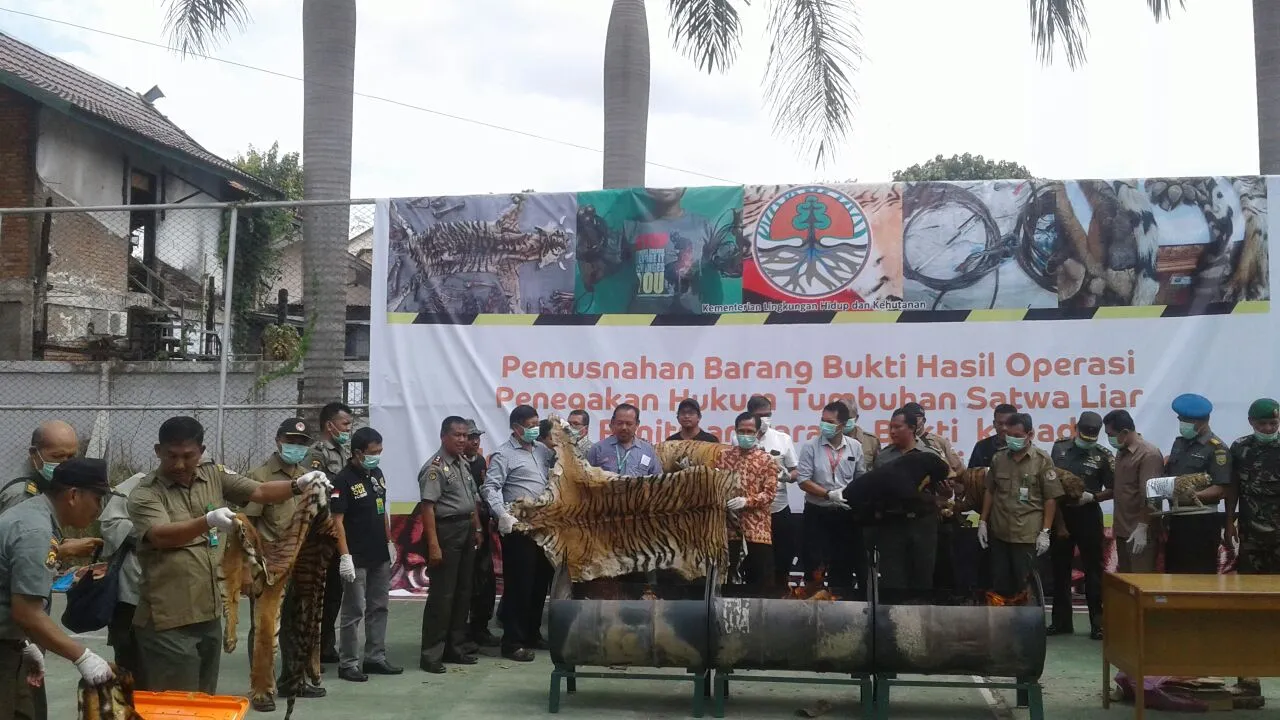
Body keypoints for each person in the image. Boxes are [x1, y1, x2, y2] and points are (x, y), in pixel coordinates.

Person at [127, 416, 329, 694]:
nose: (179, 464)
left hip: (208, 614)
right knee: (177, 704)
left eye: (188, 456)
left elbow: (258, 491)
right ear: (157, 451)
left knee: (205, 700)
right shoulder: (145, 493)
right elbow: (161, 535)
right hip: (167, 620)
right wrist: (207, 521)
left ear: (201, 450)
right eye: (171, 456)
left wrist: (299, 485)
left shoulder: (213, 474)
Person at [0, 458, 114, 720]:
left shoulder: (32, 516)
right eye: (98, 499)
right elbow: (27, 613)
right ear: (74, 495)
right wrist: (82, 657)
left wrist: (21, 641)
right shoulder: (35, 531)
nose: (99, 510)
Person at [242, 418, 324, 710]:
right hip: (270, 564)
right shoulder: (260, 476)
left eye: (302, 443)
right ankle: (262, 689)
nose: (297, 447)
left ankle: (294, 680)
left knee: (298, 623)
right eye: (291, 441)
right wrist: (247, 568)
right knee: (265, 628)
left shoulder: (309, 476)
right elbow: (248, 525)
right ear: (278, 440)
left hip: (301, 563)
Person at [483, 405, 553, 663]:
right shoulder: (503, 454)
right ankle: (512, 641)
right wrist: (502, 515)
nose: (536, 429)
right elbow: (491, 488)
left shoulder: (543, 451)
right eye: (531, 424)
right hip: (518, 528)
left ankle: (532, 633)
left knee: (539, 583)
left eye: (537, 423)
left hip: (543, 528)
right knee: (519, 585)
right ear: (516, 427)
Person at [331, 427, 402, 682]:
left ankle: (375, 657)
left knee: (379, 606)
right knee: (354, 611)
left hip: (378, 553)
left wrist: (389, 540)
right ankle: (348, 663)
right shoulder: (343, 479)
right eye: (373, 452)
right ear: (359, 452)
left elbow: (382, 508)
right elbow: (336, 521)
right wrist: (344, 556)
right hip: (356, 556)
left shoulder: (377, 474)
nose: (377, 456)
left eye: (380, 451)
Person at [417, 417, 483, 674]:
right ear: (444, 436)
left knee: (463, 592)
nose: (462, 440)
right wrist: (434, 544)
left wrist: (476, 527)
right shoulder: (435, 467)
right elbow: (427, 507)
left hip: (465, 529)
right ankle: (431, 654)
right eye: (457, 435)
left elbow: (470, 499)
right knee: (442, 595)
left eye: (465, 435)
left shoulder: (462, 464)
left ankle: (455, 648)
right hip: (445, 531)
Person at [1226, 397, 1280, 697]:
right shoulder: (1241, 448)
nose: (1269, 429)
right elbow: (1233, 485)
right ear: (1251, 423)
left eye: (1273, 423)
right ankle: (1248, 680)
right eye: (1263, 424)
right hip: (1251, 536)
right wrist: (1229, 520)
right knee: (1248, 604)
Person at [977, 413, 1062, 599]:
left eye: (1017, 436)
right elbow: (990, 491)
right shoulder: (999, 458)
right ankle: (1001, 625)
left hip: (1026, 536)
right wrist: (982, 522)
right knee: (1000, 585)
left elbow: (1050, 498)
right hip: (999, 533)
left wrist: (1045, 532)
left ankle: (1028, 626)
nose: (1012, 440)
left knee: (1026, 587)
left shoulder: (1042, 460)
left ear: (1030, 434)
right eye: (1009, 435)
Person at [844, 448, 951, 594]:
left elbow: (947, 488)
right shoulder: (893, 467)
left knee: (922, 576)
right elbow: (906, 494)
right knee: (893, 579)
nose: (893, 431)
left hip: (922, 526)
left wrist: (943, 496)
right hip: (889, 524)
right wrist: (933, 500)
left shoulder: (928, 459)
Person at [1048, 412, 1113, 640]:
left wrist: (1094, 497)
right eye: (1084, 435)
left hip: (1088, 514)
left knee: (1093, 571)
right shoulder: (1060, 449)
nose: (1088, 440)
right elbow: (1051, 483)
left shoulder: (1103, 455)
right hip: (1062, 515)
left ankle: (1097, 623)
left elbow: (1113, 488)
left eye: (1092, 437)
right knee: (1060, 569)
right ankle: (1061, 622)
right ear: (1076, 429)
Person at [797, 401, 865, 592]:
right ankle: (811, 605)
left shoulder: (855, 447)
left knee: (842, 563)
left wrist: (851, 497)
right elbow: (803, 480)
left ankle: (840, 606)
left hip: (844, 514)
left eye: (830, 421)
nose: (824, 425)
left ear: (842, 425)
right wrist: (828, 494)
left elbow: (860, 478)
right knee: (814, 563)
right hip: (817, 513)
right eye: (822, 420)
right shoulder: (810, 446)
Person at [1163, 393, 1231, 574]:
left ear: (1201, 421)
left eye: (1186, 420)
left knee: (1199, 574)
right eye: (1180, 419)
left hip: (1201, 521)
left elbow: (1222, 488)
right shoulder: (1180, 443)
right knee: (1175, 573)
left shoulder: (1217, 448)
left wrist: (1195, 495)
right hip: (1177, 519)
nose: (1181, 424)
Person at [310, 401, 354, 664]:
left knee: (334, 592)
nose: (349, 429)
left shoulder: (345, 452)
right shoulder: (317, 453)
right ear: (330, 425)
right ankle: (313, 647)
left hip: (339, 530)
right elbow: (314, 492)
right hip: (320, 531)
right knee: (317, 592)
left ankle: (327, 644)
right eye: (345, 424)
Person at [717, 413, 778, 587]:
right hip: (729, 528)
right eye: (741, 431)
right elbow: (717, 485)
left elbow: (770, 494)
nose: (745, 435)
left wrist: (747, 501)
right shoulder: (724, 456)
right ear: (735, 431)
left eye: (749, 431)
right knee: (728, 580)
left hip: (757, 529)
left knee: (760, 581)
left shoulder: (768, 460)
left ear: (758, 433)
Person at [97, 472, 146, 681]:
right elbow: (109, 524)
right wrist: (151, 533)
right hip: (132, 587)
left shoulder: (201, 489)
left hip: (177, 590)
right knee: (130, 656)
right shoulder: (136, 484)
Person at [748, 395, 800, 588]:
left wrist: (788, 476)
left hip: (778, 508)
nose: (765, 419)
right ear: (751, 415)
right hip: (752, 511)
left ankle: (780, 595)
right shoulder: (740, 437)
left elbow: (796, 472)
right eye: (761, 415)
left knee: (783, 556)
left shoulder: (782, 439)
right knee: (757, 562)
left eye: (768, 414)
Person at [1103, 410, 1163, 573]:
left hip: (1140, 532)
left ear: (1124, 432)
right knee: (1127, 585)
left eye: (1111, 434)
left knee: (1141, 584)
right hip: (1123, 531)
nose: (1109, 439)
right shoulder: (1121, 451)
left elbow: (1152, 497)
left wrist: (1143, 527)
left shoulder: (1148, 454)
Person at [463, 420, 499, 649]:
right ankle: (461, 631)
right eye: (470, 437)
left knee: (486, 582)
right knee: (465, 582)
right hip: (463, 532)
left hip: (483, 531)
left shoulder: (480, 464)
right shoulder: (455, 464)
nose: (475, 441)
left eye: (477, 437)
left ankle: (480, 627)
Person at [0, 421, 80, 515]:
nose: (66, 464)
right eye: (57, 456)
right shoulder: (23, 497)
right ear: (34, 453)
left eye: (71, 457)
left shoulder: (41, 480)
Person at [585, 404, 660, 476]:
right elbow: (585, 479)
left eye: (629, 424)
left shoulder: (647, 450)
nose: (624, 427)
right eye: (620, 423)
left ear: (637, 424)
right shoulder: (598, 449)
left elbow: (657, 481)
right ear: (613, 423)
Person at [902, 402, 964, 476]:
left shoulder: (939, 442)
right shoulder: (898, 445)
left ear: (923, 420)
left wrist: (950, 483)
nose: (911, 422)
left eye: (915, 417)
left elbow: (961, 470)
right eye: (907, 419)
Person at [969, 404, 1019, 469]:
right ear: (994, 424)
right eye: (1000, 423)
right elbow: (972, 475)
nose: (1004, 428)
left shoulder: (1025, 447)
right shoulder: (982, 447)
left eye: (1008, 423)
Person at [841, 401, 880, 468]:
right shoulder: (827, 441)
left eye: (848, 418)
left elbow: (878, 469)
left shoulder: (871, 441)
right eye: (841, 418)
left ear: (856, 418)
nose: (844, 421)